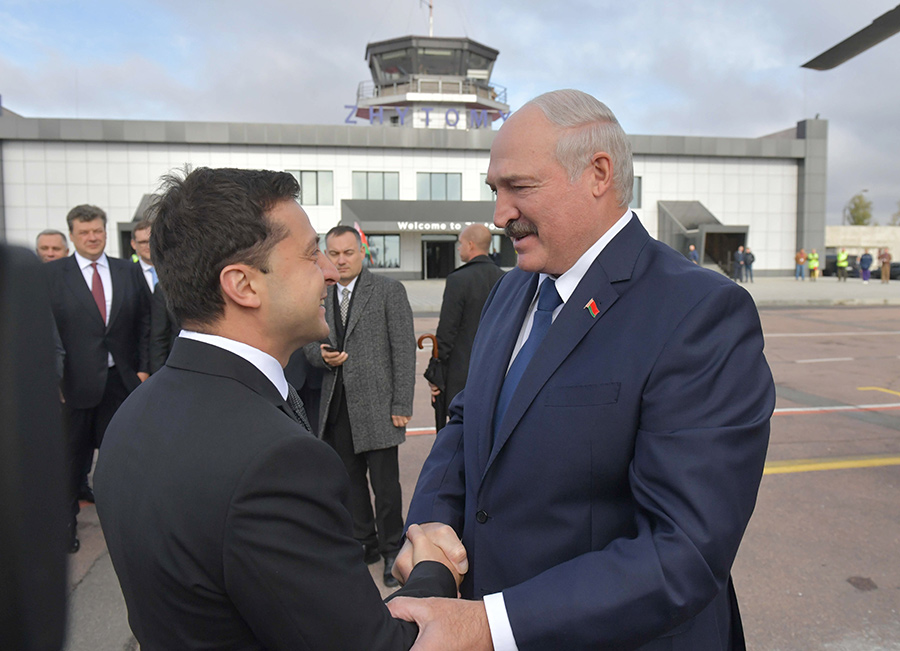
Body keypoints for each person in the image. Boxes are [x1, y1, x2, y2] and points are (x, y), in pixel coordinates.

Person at [388, 90, 775, 650]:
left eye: (519, 187)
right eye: (495, 191)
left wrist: (492, 625)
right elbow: (468, 423)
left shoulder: (699, 312)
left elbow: (683, 552)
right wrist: (431, 533)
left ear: (598, 174)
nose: (499, 215)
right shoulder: (510, 291)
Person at [93, 167, 464, 651]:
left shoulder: (133, 414)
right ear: (243, 285)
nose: (330, 271)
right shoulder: (276, 462)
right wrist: (434, 571)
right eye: (311, 254)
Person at [304, 225, 416, 588]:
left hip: (378, 407)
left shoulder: (387, 290)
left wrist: (401, 402)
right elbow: (306, 340)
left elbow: (404, 349)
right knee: (349, 484)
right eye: (334, 253)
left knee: (386, 489)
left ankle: (391, 550)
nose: (340, 260)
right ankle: (364, 542)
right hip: (337, 408)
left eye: (348, 253)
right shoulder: (320, 290)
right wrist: (320, 356)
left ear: (362, 253)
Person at [44, 204, 150, 553]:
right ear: (72, 235)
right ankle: (65, 524)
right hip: (73, 386)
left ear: (105, 232)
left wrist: (143, 367)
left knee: (119, 459)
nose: (92, 237)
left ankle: (125, 523)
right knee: (71, 460)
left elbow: (145, 322)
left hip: (121, 382)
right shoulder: (52, 274)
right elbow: (44, 331)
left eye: (98, 231)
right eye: (84, 232)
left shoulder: (128, 270)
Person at [430, 224, 505, 426]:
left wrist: (434, 372)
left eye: (460, 243)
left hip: (461, 377)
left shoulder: (458, 279)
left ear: (471, 245)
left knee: (459, 433)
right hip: (497, 374)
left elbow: (446, 332)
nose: (458, 247)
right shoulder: (505, 278)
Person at [130, 219, 157, 293]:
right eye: (143, 242)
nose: (148, 246)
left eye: (152, 241)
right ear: (133, 244)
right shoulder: (129, 274)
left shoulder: (172, 269)